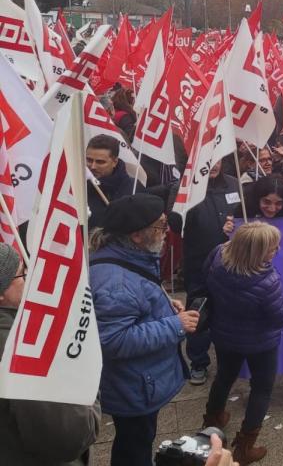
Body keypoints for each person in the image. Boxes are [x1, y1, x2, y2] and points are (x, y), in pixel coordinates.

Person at [90, 194, 199, 466]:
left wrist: (163, 305)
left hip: (138, 381)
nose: (166, 232)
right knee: (134, 444)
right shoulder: (115, 282)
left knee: (137, 439)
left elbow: (136, 305)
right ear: (137, 235)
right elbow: (115, 341)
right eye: (160, 226)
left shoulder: (129, 256)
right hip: (133, 387)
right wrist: (175, 325)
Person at [0, 243, 102, 466]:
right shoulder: (22, 350)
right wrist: (88, 389)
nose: (29, 281)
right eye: (22, 274)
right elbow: (69, 437)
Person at [201, 222, 283, 465]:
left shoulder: (219, 254)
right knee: (261, 389)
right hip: (260, 343)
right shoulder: (267, 282)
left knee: (224, 377)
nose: (277, 250)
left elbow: (203, 277)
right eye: (272, 248)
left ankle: (212, 421)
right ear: (257, 253)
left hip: (224, 334)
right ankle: (244, 447)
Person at [227, 175, 283, 406]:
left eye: (278, 203)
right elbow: (233, 248)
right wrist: (228, 229)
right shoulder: (244, 209)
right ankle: (259, 386)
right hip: (256, 283)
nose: (272, 208)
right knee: (258, 336)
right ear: (257, 198)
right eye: (266, 202)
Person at [167, 158, 239, 386]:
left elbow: (248, 216)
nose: (214, 165)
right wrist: (185, 198)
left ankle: (231, 358)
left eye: (217, 159)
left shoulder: (234, 184)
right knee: (198, 311)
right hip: (199, 263)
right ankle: (198, 361)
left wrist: (235, 224)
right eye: (208, 160)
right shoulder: (184, 187)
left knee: (230, 311)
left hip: (232, 262)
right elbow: (176, 225)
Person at [85, 134, 142, 229]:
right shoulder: (78, 186)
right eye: (89, 160)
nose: (93, 166)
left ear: (114, 162)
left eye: (100, 162)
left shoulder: (133, 188)